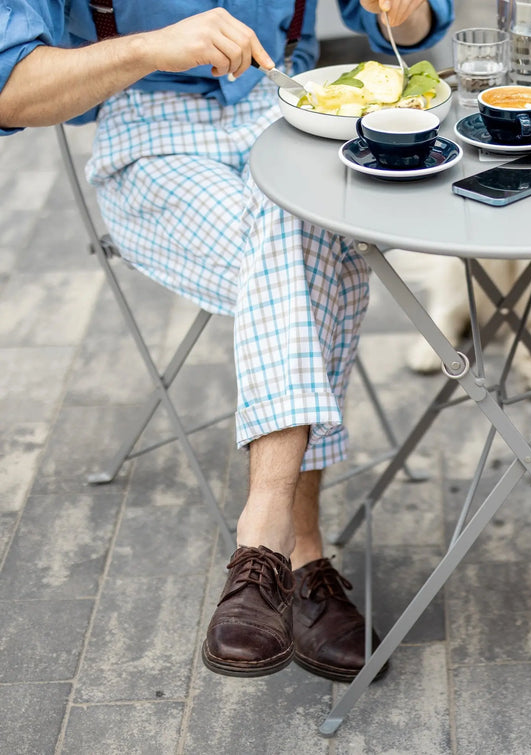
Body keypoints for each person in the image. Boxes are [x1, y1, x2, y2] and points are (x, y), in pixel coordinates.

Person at [0, 0, 454, 680]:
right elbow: (13, 88)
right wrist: (149, 47)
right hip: (151, 137)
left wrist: (407, 9)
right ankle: (300, 552)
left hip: (291, 116)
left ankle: (261, 550)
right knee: (305, 241)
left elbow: (413, 32)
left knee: (293, 222)